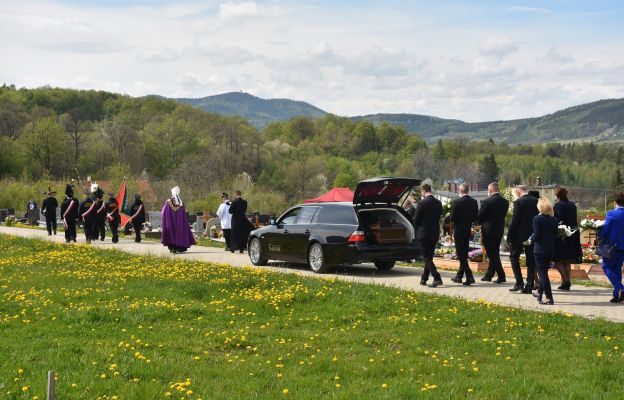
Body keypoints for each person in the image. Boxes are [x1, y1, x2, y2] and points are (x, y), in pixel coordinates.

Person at [506, 185, 539, 293]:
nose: (516, 195)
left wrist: (509, 236)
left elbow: (515, 221)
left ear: (519, 192)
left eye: (516, 193)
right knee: (531, 260)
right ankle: (529, 285)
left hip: (519, 236)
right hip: (532, 235)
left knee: (514, 257)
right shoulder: (536, 201)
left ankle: (519, 283)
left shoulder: (518, 202)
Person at [476, 182, 510, 283]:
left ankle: (501, 275)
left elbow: (480, 216)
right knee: (494, 253)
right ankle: (489, 274)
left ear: (490, 190)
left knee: (492, 254)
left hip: (488, 231)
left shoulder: (486, 202)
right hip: (499, 230)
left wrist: (477, 222)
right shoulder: (505, 202)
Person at [528, 197, 559, 305]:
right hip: (551, 249)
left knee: (543, 274)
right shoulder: (554, 220)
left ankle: (549, 297)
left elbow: (537, 234)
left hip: (540, 250)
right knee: (544, 272)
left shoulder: (537, 219)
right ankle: (539, 292)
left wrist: (530, 239)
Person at [413, 183, 443, 287]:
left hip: (423, 233)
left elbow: (416, 220)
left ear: (423, 191)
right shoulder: (438, 203)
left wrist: (416, 229)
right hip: (434, 233)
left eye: (421, 192)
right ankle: (424, 278)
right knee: (429, 257)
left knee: (426, 257)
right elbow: (438, 217)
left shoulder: (421, 203)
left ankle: (437, 277)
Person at [597, 192, 624, 303]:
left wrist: (599, 232)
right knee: (617, 269)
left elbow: (606, 229)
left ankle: (622, 289)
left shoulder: (611, 214)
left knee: (606, 267)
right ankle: (616, 295)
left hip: (611, 246)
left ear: (615, 202)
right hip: (622, 247)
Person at [553, 187, 582, 291]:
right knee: (566, 260)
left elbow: (557, 220)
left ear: (557, 195)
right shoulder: (572, 205)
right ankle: (566, 281)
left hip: (561, 234)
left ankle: (566, 280)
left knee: (557, 260)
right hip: (571, 234)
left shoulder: (557, 205)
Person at [450, 183, 478, 285]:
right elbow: (475, 217)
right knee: (464, 253)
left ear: (460, 191)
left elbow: (452, 218)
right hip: (467, 230)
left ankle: (469, 276)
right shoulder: (474, 202)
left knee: (460, 254)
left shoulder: (457, 202)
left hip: (459, 230)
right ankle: (459, 276)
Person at [161, 186, 195, 253]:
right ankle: (179, 248)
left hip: (171, 222)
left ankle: (173, 248)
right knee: (179, 233)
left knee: (172, 233)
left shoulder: (168, 202)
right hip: (180, 223)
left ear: (172, 193)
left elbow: (164, 212)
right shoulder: (181, 203)